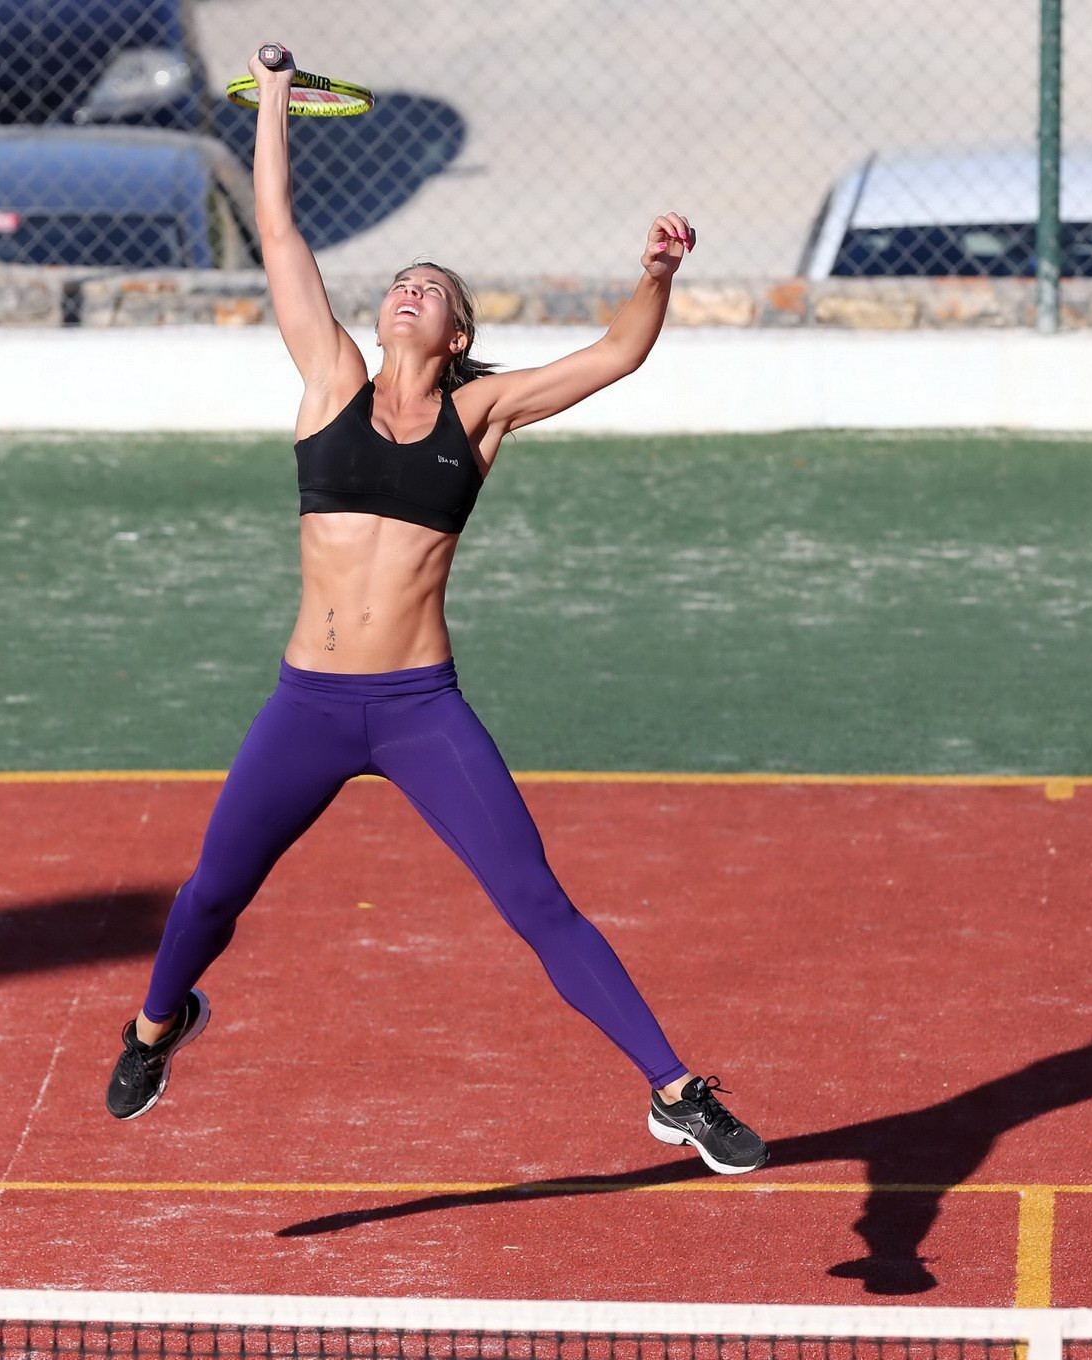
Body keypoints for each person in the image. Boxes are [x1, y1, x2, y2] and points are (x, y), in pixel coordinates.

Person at [104, 43, 766, 1176]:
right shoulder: (330, 380)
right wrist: (272, 104)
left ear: (455, 335)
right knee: (216, 887)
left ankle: (675, 1090)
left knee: (535, 899)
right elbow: (278, 233)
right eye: (400, 282)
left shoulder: (485, 414)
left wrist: (654, 274)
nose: (409, 289)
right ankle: (155, 1029)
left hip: (418, 707)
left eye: (434, 289)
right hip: (309, 706)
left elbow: (617, 353)